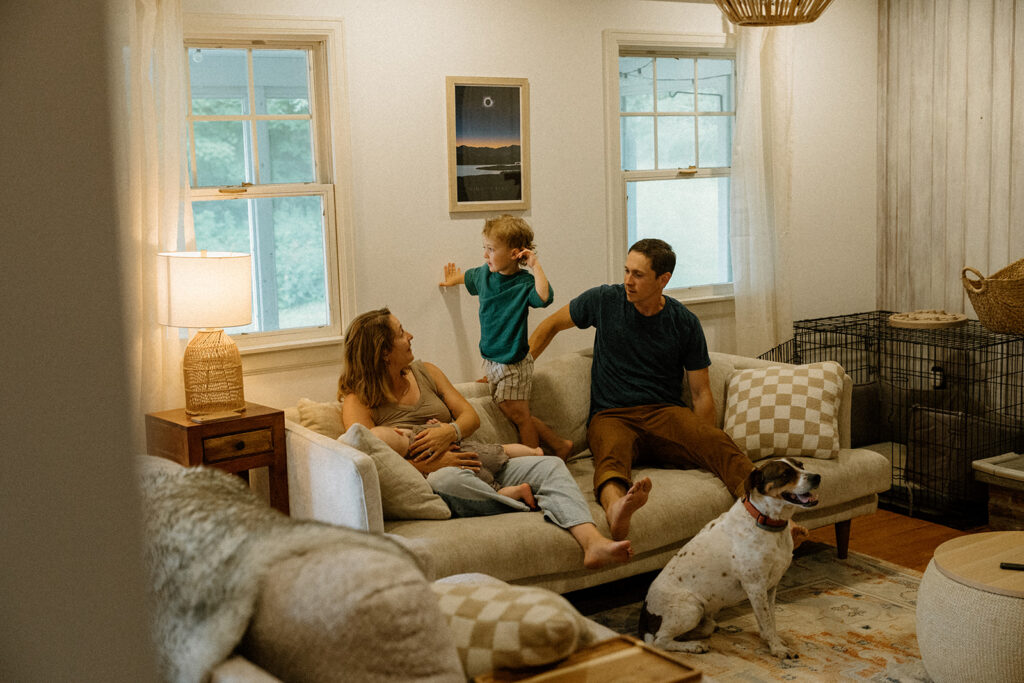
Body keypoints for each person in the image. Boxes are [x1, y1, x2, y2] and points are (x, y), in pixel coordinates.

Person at [338, 307, 633, 569]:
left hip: (474, 454)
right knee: (447, 481)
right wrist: (431, 465)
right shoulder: (359, 401)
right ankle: (516, 500)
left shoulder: (426, 372)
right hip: (436, 478)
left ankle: (592, 542)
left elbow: (470, 417)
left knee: (550, 466)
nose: (411, 336)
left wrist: (448, 431)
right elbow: (371, 463)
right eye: (401, 333)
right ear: (384, 351)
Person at [529, 238, 756, 542]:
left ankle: (764, 510)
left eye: (638, 274)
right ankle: (616, 510)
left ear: (663, 280)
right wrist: (517, 369)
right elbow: (550, 325)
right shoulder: (604, 301)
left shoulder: (683, 322)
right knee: (611, 458)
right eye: (626, 271)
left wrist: (700, 441)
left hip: (664, 413)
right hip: (612, 415)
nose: (627, 281)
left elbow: (701, 393)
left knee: (718, 442)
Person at [439, 214, 573, 460]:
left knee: (519, 416)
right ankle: (559, 444)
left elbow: (544, 297)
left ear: (514, 254)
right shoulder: (484, 275)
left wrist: (535, 265)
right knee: (511, 411)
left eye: (491, 249)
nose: (485, 255)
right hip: (492, 360)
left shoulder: (523, 284)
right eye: (485, 248)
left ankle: (535, 461)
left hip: (513, 363)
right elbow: (466, 277)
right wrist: (452, 281)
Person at [375, 419, 542, 508]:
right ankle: (534, 452)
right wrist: (436, 425)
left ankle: (518, 491)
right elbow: (444, 428)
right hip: (473, 452)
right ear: (398, 430)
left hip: (468, 470)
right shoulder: (420, 432)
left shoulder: (415, 462)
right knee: (503, 449)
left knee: (494, 492)